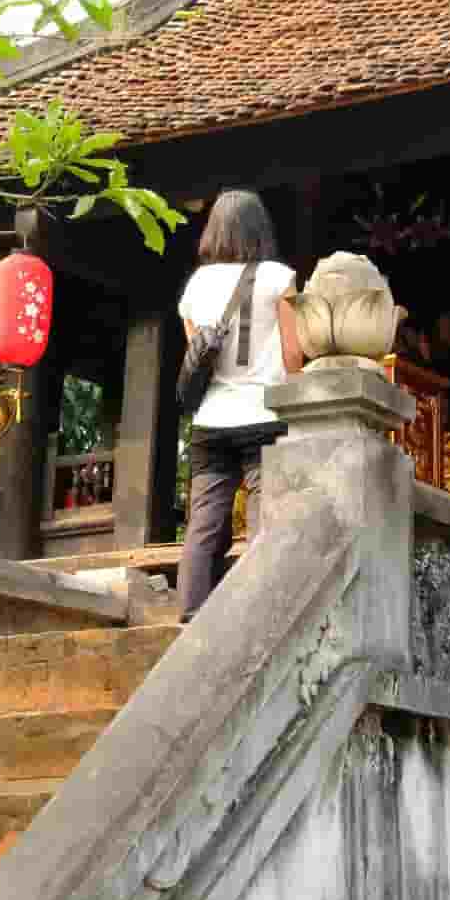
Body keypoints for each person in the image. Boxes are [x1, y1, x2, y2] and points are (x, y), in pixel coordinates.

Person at [176, 190, 304, 619]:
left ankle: (192, 609)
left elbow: (196, 357)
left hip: (211, 420)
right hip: (265, 416)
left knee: (205, 519)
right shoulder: (278, 278)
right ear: (260, 228)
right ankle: (258, 608)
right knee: (264, 515)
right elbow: (293, 355)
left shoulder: (196, 285)